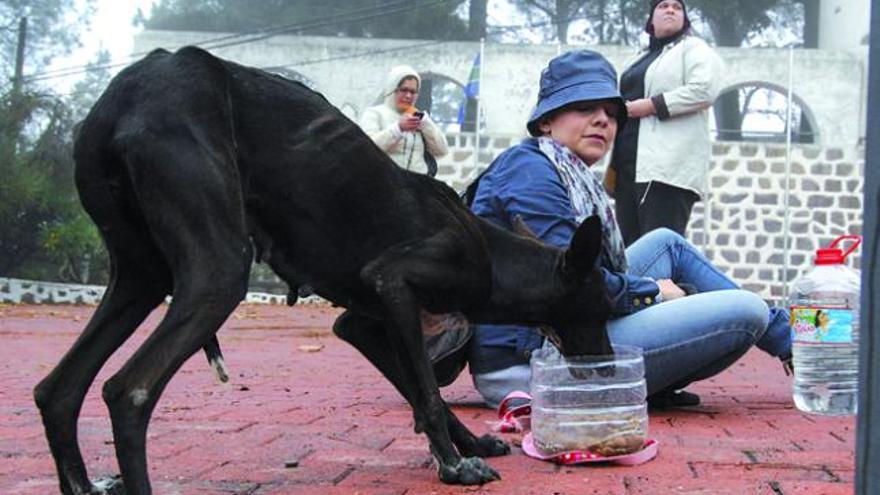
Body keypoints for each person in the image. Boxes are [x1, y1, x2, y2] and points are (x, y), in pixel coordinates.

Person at [465, 50, 791, 410]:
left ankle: (789, 338)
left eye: (611, 113)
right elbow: (563, 284)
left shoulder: (567, 172)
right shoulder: (530, 171)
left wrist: (648, 291)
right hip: (537, 355)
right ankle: (789, 343)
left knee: (667, 244)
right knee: (747, 312)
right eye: (585, 108)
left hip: (567, 328)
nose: (602, 121)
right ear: (546, 120)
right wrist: (652, 292)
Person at [607, 0, 723, 246]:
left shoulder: (694, 49)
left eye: (677, 7)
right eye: (663, 6)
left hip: (665, 171)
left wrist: (649, 106)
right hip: (629, 169)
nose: (670, 10)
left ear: (685, 19)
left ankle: (666, 286)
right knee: (629, 251)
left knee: (658, 249)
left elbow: (704, 90)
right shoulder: (639, 58)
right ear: (651, 19)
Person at [359, 65, 448, 176]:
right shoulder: (374, 114)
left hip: (417, 187)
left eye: (413, 92)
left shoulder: (418, 117)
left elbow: (441, 150)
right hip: (385, 184)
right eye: (404, 90)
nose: (408, 96)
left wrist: (426, 124)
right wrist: (398, 128)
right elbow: (366, 148)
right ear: (392, 89)